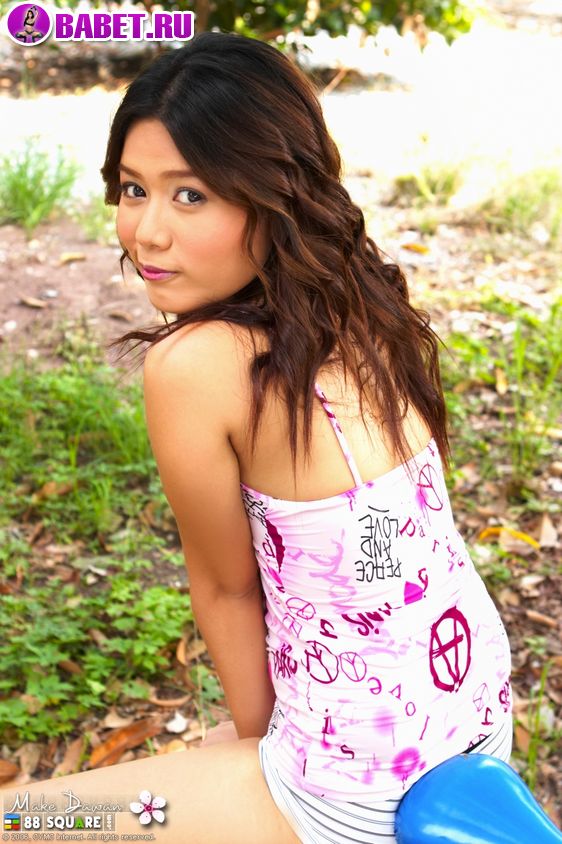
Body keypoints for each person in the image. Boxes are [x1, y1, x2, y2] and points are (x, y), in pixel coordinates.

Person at [2, 31, 513, 844]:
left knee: (33, 820)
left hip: (352, 788)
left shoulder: (194, 366)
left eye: (191, 194)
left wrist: (261, 762)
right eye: (133, 189)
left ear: (273, 194)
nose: (147, 232)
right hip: (473, 713)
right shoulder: (364, 303)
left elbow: (228, 591)